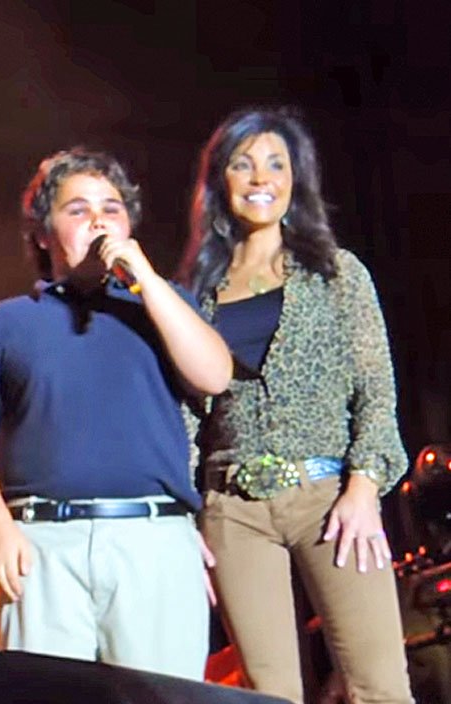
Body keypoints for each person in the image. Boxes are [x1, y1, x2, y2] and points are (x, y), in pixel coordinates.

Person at [0, 148, 232, 679]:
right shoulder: (6, 324)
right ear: (43, 233)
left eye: (112, 207)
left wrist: (144, 277)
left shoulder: (164, 306)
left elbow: (214, 375)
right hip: (44, 543)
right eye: (77, 209)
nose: (98, 219)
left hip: (152, 539)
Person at [180, 106, 412, 703]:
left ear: (295, 180)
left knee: (379, 687)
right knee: (268, 694)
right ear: (220, 182)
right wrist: (184, 513)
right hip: (232, 509)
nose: (261, 178)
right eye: (243, 164)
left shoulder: (337, 274)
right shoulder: (198, 295)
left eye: (276, 165)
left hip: (329, 501)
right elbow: (186, 415)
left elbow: (376, 388)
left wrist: (364, 486)